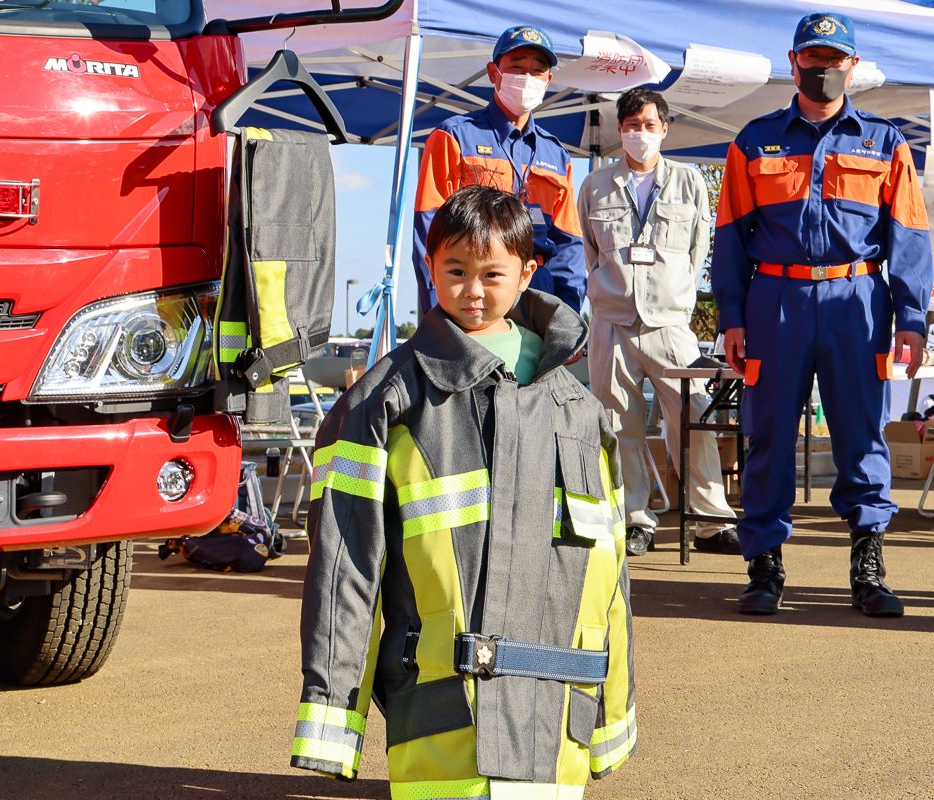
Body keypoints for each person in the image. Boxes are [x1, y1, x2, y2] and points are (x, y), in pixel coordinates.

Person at [292, 186, 636, 798]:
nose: (472, 291)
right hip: (442, 724)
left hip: (559, 728)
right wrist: (331, 717)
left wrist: (613, 717)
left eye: (491, 274)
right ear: (430, 268)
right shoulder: (386, 399)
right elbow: (344, 568)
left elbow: (611, 582)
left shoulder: (581, 413)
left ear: (528, 274)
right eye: (455, 271)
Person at [713, 12, 932, 617]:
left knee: (862, 436)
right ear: (793, 62)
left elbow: (910, 237)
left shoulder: (887, 144)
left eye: (836, 59)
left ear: (853, 67)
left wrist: (912, 320)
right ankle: (764, 567)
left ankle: (867, 568)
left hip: (858, 302)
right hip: (773, 303)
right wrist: (731, 316)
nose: (824, 68)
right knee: (767, 436)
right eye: (813, 58)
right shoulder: (753, 141)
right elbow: (729, 234)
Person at [579, 88, 739, 558]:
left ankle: (711, 520)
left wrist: (675, 299)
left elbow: (697, 252)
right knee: (618, 424)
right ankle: (635, 520)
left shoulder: (689, 182)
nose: (639, 134)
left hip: (670, 325)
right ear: (619, 130)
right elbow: (591, 251)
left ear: (664, 129)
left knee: (694, 417)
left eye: (648, 125)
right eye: (631, 126)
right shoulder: (595, 185)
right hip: (611, 322)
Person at [412, 24, 586, 315]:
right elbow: (429, 229)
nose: (527, 78)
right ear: (494, 73)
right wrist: (437, 312)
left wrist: (568, 316)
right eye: (517, 68)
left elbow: (568, 243)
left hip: (538, 292)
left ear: (549, 80)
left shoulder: (556, 154)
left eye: (537, 71)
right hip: (474, 290)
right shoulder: (454, 137)